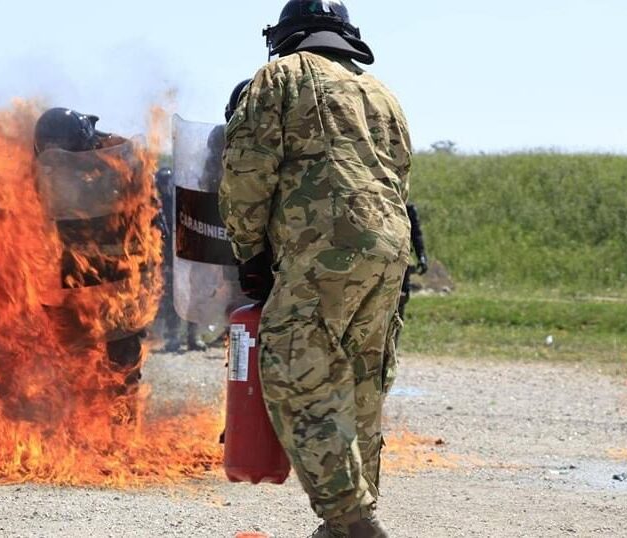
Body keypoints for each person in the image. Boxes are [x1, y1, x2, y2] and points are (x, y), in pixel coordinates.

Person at [219, 2, 412, 536]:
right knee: (360, 382)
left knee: (295, 372)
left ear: (287, 35)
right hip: (388, 249)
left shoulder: (281, 76)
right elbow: (399, 175)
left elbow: (246, 170)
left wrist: (249, 252)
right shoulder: (381, 92)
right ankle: (352, 517)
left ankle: (350, 520)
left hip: (323, 248)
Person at [33, 107, 154, 415]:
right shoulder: (37, 167)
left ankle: (123, 425)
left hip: (119, 275)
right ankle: (75, 423)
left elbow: (147, 215)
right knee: (73, 361)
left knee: (122, 361)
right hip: (70, 274)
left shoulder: (119, 159)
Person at [154, 167, 206, 352]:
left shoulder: (184, 202)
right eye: (163, 183)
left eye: (168, 182)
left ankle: (194, 336)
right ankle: (173, 336)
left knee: (194, 296)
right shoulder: (156, 206)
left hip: (188, 257)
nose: (166, 186)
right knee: (171, 299)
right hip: (169, 258)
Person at [395, 203, 429, 345]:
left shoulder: (407, 209)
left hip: (401, 262)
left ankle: (392, 347)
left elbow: (416, 234)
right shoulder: (378, 203)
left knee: (400, 303)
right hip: (380, 263)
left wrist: (422, 256)